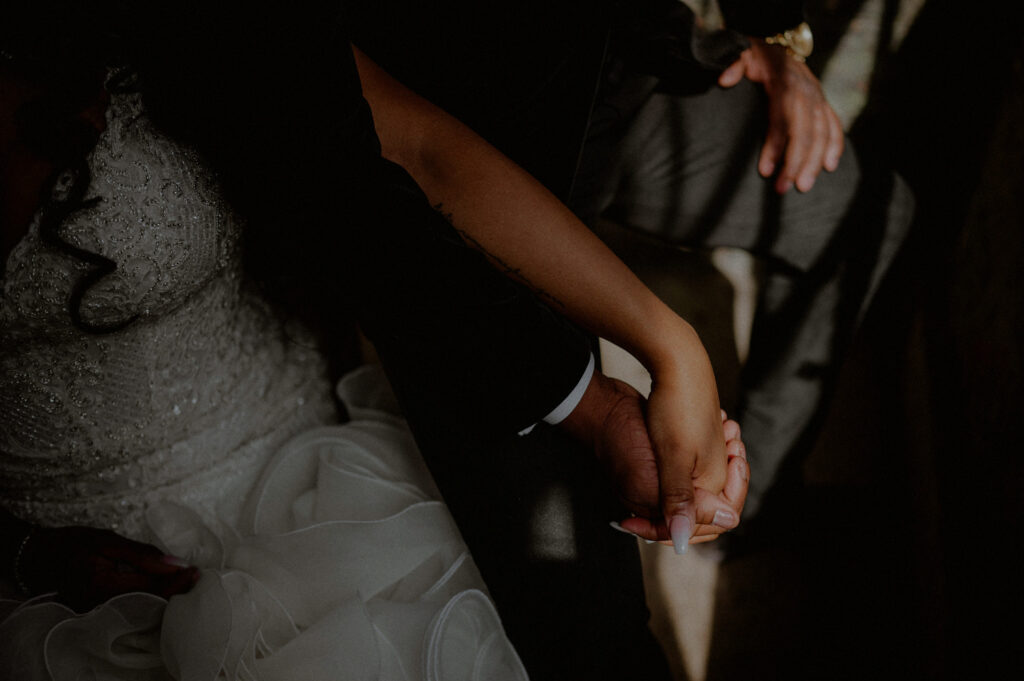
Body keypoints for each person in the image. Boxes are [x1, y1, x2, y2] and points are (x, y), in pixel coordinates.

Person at [0, 3, 747, 679]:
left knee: (577, 617)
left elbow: (418, 147)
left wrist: (671, 348)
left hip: (322, 459)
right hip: (78, 549)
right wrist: (24, 550)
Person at [349, 0, 915, 530]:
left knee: (864, 212)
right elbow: (412, 146)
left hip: (618, 67)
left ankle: (743, 502)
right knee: (566, 536)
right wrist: (672, 353)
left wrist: (775, 32)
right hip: (471, 142)